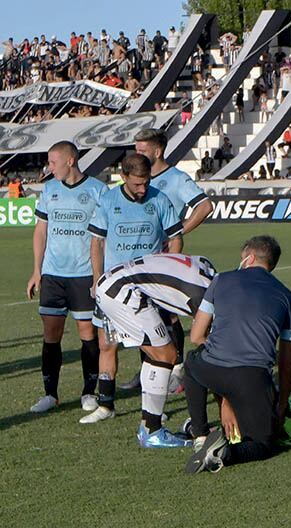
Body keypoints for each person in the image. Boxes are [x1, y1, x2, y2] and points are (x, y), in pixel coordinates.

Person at [82, 152, 183, 424]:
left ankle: (152, 408)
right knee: (107, 344)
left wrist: (168, 271)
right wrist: (97, 279)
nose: (142, 189)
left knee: (153, 347)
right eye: (137, 183)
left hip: (150, 287)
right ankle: (106, 405)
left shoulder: (159, 199)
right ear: (123, 176)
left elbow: (175, 237)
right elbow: (97, 242)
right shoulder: (108, 201)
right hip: (114, 288)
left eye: (146, 182)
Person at [184, 236, 291, 473]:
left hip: (212, 369)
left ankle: (200, 435)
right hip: (253, 378)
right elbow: (286, 361)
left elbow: (196, 336)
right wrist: (281, 404)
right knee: (262, 445)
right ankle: (225, 454)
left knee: (192, 363)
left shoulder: (221, 280)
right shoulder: (287, 297)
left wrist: (224, 393)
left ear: (250, 258)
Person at [95, 253, 217, 447]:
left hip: (116, 282)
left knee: (159, 355)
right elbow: (202, 339)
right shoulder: (202, 296)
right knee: (165, 355)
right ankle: (151, 431)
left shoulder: (208, 269)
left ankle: (149, 427)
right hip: (121, 290)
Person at [26, 140, 107, 414]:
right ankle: (50, 394)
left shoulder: (97, 190)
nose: (49, 167)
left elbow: (104, 236)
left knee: (88, 333)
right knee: (51, 334)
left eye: (53, 162)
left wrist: (98, 275)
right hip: (53, 275)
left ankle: (89, 392)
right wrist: (37, 270)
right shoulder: (49, 189)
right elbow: (41, 231)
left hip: (83, 274)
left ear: (70, 161)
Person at [131, 129, 213, 393]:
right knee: (144, 313)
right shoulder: (138, 179)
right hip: (139, 256)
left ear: (157, 152)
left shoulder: (176, 179)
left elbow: (205, 206)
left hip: (164, 258)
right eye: (136, 149)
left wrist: (178, 232)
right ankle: (149, 368)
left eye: (142, 150)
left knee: (168, 315)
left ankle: (176, 369)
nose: (137, 154)